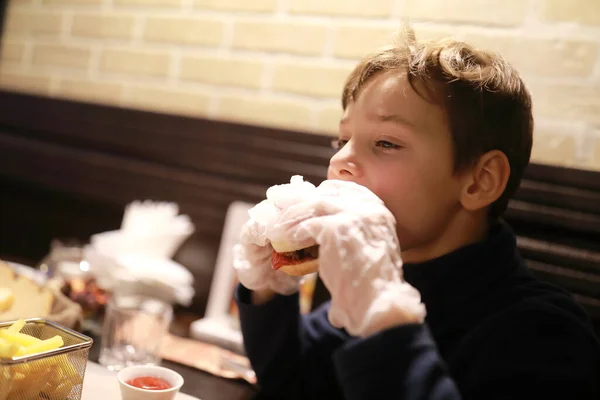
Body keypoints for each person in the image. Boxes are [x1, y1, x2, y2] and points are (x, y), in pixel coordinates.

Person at [232, 28, 600, 400]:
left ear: (479, 181)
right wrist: (265, 285)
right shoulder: (371, 268)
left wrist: (383, 316)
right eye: (342, 141)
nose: (339, 161)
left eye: (387, 142)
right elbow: (296, 383)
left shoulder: (544, 333)